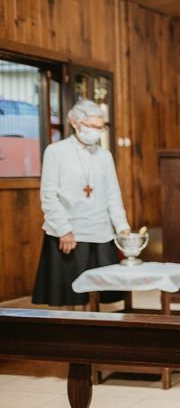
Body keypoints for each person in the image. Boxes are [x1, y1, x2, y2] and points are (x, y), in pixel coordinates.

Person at [32, 99, 129, 307]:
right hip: (70, 232)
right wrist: (63, 230)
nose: (96, 131)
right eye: (92, 126)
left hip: (101, 232)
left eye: (100, 127)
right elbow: (48, 196)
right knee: (70, 294)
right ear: (76, 123)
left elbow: (113, 194)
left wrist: (122, 227)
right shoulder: (56, 151)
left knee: (101, 294)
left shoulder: (105, 156)